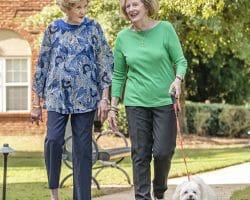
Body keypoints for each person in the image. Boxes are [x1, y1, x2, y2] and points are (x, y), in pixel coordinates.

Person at [30, 0, 113, 199]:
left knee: (83, 149)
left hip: (86, 98)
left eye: (85, 7)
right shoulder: (53, 29)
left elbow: (105, 62)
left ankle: (82, 197)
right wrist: (35, 103)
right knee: (53, 140)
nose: (83, 11)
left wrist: (104, 98)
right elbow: (42, 65)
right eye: (78, 7)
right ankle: (54, 193)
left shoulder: (93, 28)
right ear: (67, 7)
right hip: (56, 97)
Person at [108, 0, 187, 199]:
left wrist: (177, 80)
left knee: (163, 151)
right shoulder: (123, 37)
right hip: (136, 103)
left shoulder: (165, 29)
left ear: (146, 6)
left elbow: (180, 60)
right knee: (140, 153)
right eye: (128, 7)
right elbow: (118, 75)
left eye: (135, 4)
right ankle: (142, 197)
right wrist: (113, 107)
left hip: (164, 101)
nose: (131, 9)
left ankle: (159, 191)